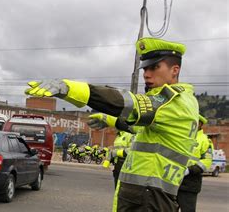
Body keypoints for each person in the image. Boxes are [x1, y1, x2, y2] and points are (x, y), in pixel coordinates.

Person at [25, 37, 199, 212]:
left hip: (149, 199)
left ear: (175, 70)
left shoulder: (174, 101)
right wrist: (110, 120)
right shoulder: (171, 107)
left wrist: (72, 89)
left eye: (154, 67)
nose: (146, 74)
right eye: (145, 68)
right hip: (147, 197)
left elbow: (129, 103)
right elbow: (137, 127)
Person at [177, 115, 213, 212]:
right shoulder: (180, 136)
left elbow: (207, 161)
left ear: (200, 124)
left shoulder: (205, 140)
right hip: (173, 180)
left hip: (190, 183)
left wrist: (189, 170)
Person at [88, 113, 134, 188]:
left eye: (113, 126)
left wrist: (115, 153)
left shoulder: (129, 134)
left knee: (122, 190)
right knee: (117, 190)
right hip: (117, 167)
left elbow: (132, 151)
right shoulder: (119, 136)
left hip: (126, 167)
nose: (112, 129)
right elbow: (116, 150)